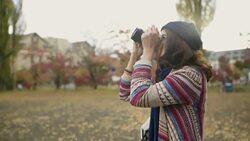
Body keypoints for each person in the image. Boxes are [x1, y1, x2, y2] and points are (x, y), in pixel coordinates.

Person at [119, 21, 212, 141]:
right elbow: (126, 93)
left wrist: (147, 53)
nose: (158, 41)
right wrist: (134, 55)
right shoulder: (167, 74)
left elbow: (139, 96)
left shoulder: (190, 76)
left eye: (163, 37)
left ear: (179, 42)